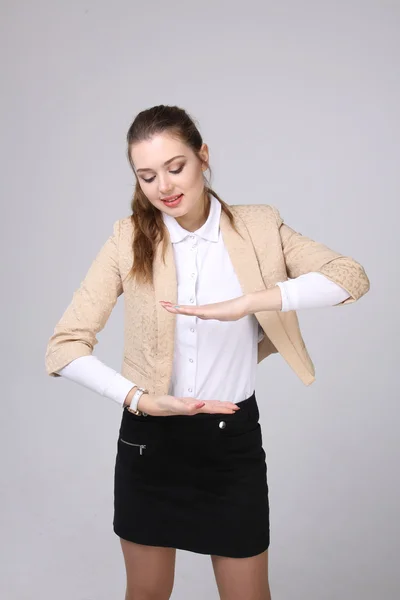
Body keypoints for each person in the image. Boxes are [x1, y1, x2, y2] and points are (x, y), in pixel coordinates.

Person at [45, 105, 370, 600]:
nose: (164, 186)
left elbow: (350, 278)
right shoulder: (127, 237)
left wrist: (248, 302)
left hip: (230, 443)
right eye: (147, 175)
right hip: (149, 442)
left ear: (203, 156)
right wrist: (139, 399)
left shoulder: (260, 227)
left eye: (176, 167)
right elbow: (64, 348)